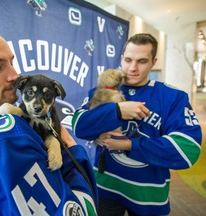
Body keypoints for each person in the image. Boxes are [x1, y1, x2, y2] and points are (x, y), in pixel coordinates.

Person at [0, 20, 97, 216]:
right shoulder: (8, 135)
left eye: (11, 62)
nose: (14, 75)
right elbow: (79, 212)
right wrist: (70, 148)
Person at [72, 33, 202, 216]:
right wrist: (117, 111)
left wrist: (129, 145)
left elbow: (188, 149)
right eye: (128, 60)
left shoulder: (172, 97)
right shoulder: (104, 90)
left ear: (153, 62)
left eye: (142, 61)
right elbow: (79, 126)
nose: (132, 68)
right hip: (105, 187)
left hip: (149, 196)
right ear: (121, 59)